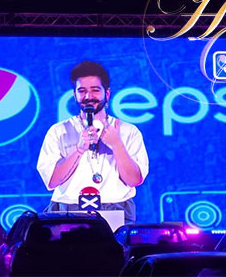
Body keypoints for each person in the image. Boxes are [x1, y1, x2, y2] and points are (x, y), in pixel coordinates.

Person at [37, 60, 149, 223]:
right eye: (82, 91)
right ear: (74, 95)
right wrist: (79, 150)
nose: (88, 97)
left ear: (107, 94)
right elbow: (52, 181)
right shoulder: (58, 131)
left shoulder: (128, 131)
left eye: (95, 90)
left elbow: (134, 180)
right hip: (68, 209)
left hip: (116, 208)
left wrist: (116, 144)